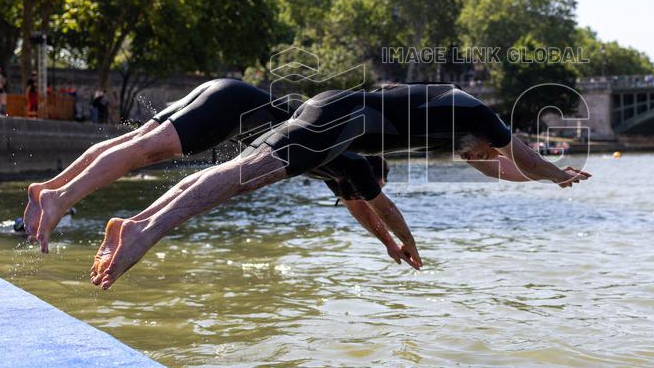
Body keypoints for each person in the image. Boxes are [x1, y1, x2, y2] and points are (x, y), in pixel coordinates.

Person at [89, 84, 591, 290]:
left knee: (238, 175)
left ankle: (135, 225)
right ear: (488, 138)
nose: (480, 160)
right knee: (240, 178)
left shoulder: (455, 137)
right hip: (338, 119)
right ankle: (142, 232)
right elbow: (519, 155)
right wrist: (557, 174)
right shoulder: (479, 114)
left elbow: (500, 167)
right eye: (484, 151)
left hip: (333, 116)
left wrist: (540, 179)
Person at [24, 79, 415, 268]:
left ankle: (49, 189)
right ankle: (61, 199)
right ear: (374, 174)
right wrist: (399, 242)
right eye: (370, 188)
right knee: (143, 150)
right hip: (230, 113)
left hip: (227, 94)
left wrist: (385, 245)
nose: (359, 196)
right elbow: (376, 208)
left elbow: (358, 208)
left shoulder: (333, 159)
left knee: (137, 142)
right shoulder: (357, 164)